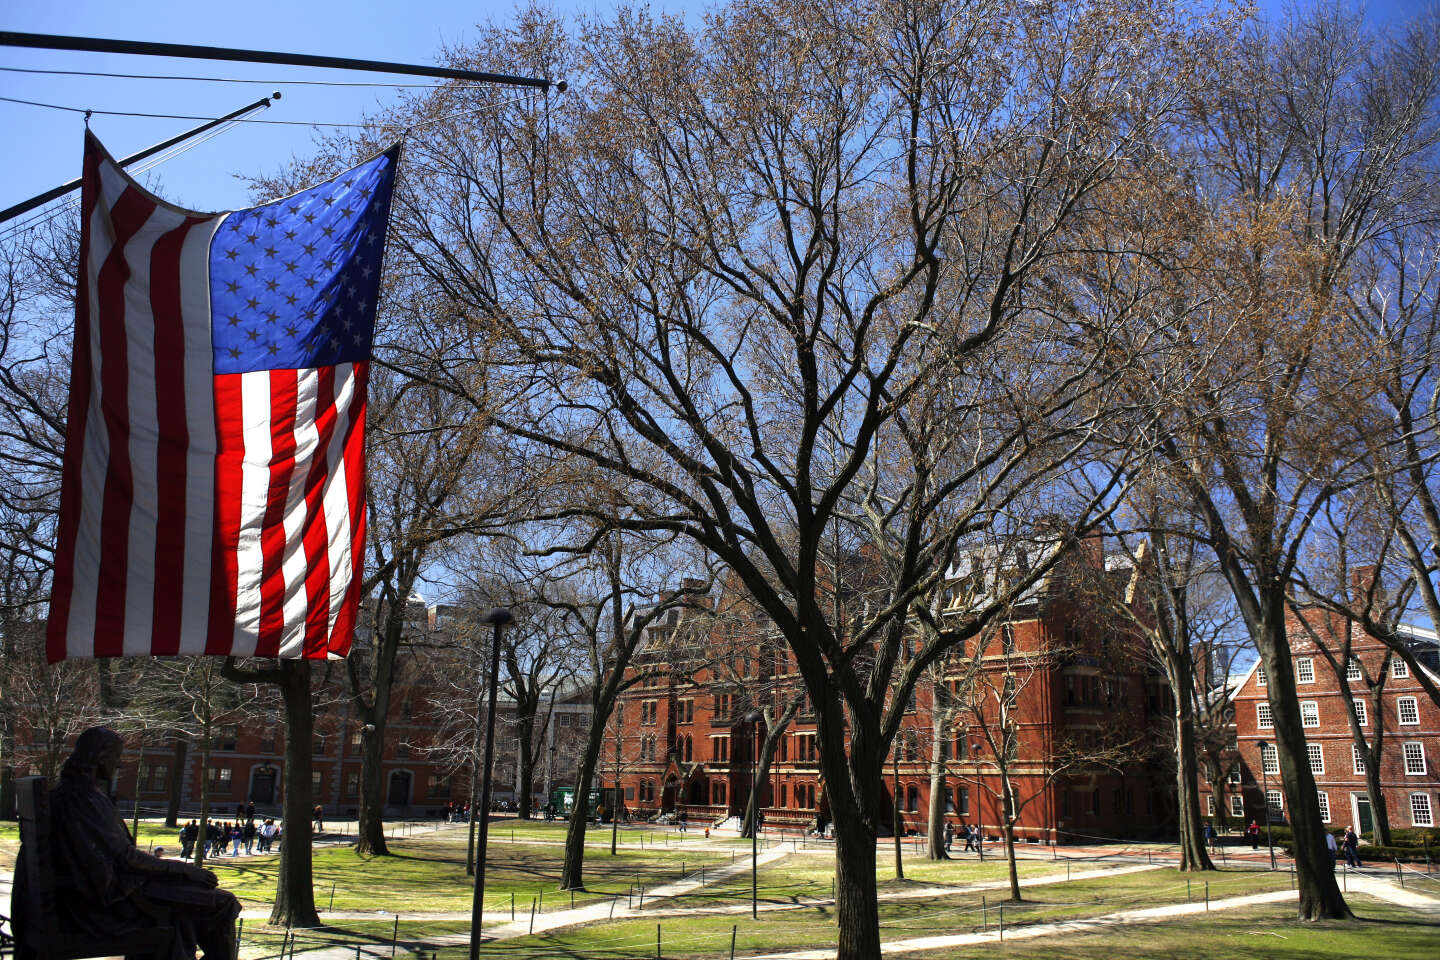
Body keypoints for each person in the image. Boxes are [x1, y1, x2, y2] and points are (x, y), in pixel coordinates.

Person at [14, 726, 240, 960]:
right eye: (116, 757)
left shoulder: (73, 793)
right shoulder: (83, 798)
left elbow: (116, 856)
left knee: (192, 902)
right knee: (223, 904)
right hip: (100, 907)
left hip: (87, 895)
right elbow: (125, 857)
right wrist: (182, 868)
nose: (119, 764)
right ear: (101, 757)